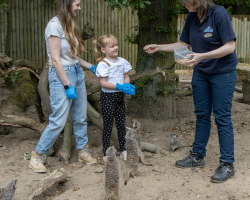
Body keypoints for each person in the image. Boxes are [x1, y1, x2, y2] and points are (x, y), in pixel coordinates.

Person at [144, 0, 238, 183]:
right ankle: (197, 156)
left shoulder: (219, 14)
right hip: (201, 73)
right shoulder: (192, 16)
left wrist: (202, 55)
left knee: (222, 117)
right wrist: (159, 47)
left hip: (222, 73)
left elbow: (230, 47)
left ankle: (227, 163)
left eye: (186, 1)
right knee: (202, 114)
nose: (183, 4)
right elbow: (183, 44)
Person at [29, 0, 98, 173]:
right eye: (77, 4)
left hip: (77, 73)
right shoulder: (54, 26)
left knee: (80, 117)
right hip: (61, 76)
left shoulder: (70, 26)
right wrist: (67, 85)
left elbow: (73, 58)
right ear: (67, 4)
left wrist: (91, 67)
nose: (80, 8)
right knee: (58, 120)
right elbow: (55, 59)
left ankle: (82, 150)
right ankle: (37, 155)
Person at [93, 34, 135, 162]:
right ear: (103, 50)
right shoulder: (103, 64)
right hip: (107, 97)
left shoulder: (122, 61)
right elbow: (103, 83)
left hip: (119, 97)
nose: (115, 48)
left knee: (121, 124)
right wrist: (119, 86)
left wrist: (126, 84)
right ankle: (106, 151)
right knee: (108, 125)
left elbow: (126, 76)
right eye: (111, 46)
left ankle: (123, 149)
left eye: (116, 45)